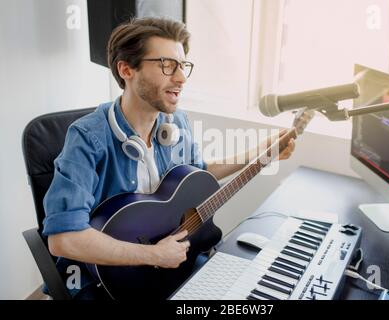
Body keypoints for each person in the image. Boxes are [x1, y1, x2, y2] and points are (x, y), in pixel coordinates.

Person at [43, 17, 296, 299]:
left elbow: (198, 174)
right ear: (126, 69)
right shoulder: (87, 138)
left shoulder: (178, 123)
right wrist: (153, 255)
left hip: (168, 261)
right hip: (104, 278)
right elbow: (64, 239)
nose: (181, 78)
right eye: (167, 65)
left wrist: (262, 152)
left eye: (183, 66)